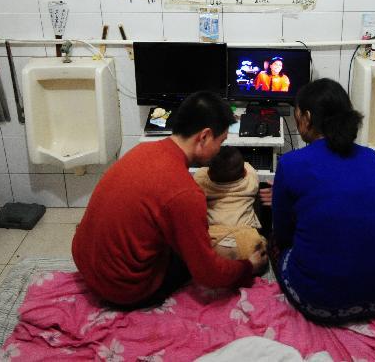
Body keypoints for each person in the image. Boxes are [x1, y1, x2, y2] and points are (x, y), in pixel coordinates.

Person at [72, 92, 267, 307]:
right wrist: (248, 266)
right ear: (204, 137)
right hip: (124, 288)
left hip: (86, 264)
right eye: (221, 142)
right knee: (197, 255)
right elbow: (208, 274)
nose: (220, 149)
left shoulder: (143, 150)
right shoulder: (185, 193)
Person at [268, 78, 375, 324]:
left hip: (319, 303)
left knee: (273, 244)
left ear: (306, 117)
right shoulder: (372, 158)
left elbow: (284, 234)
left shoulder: (291, 164)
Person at [194, 146, 266, 260]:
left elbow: (202, 172)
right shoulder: (251, 181)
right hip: (246, 239)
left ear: (209, 174)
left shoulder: (201, 180)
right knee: (259, 251)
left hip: (214, 238)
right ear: (244, 173)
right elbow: (248, 167)